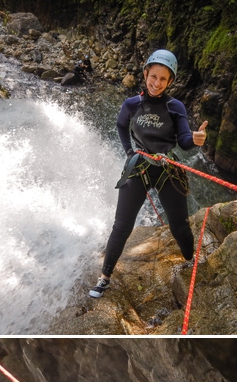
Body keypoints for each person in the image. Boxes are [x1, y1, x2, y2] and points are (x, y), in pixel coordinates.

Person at [88, 50, 208, 298]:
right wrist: (128, 150)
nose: (157, 83)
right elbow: (122, 125)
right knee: (122, 226)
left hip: (166, 169)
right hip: (139, 167)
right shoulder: (132, 104)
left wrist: (196, 140)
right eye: (153, 76)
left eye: (163, 79)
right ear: (145, 74)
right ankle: (105, 277)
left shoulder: (175, 107)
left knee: (180, 226)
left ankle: (191, 261)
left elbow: (184, 140)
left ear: (170, 81)